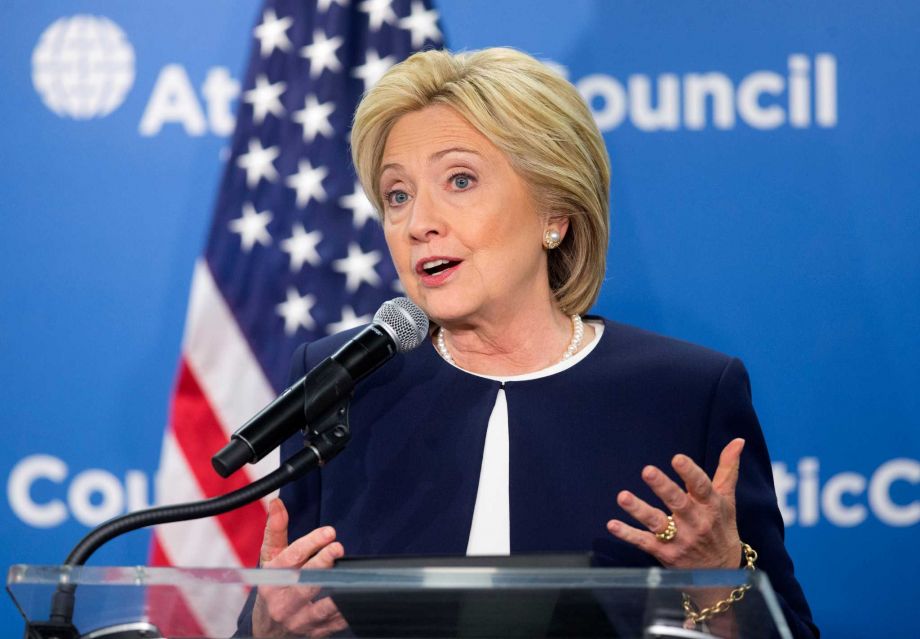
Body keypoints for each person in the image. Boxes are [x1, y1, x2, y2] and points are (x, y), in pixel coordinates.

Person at [244, 47, 818, 638]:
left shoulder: (684, 393)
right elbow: (276, 610)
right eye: (397, 195)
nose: (419, 223)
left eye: (459, 180)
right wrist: (267, 630)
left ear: (556, 212)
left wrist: (720, 579)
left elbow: (790, 632)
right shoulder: (344, 378)